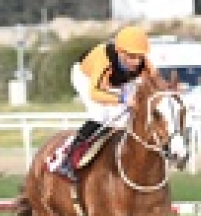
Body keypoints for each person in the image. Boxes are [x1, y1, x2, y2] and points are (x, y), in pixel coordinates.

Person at [48, 25, 157, 181]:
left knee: (126, 117)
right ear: (120, 52)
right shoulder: (104, 60)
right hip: (86, 77)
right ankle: (67, 158)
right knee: (101, 115)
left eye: (140, 56)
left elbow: (156, 83)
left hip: (115, 82)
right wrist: (123, 100)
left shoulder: (143, 64)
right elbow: (95, 93)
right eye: (131, 56)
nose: (136, 61)